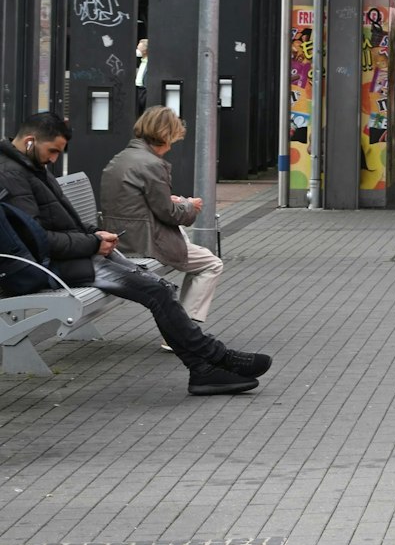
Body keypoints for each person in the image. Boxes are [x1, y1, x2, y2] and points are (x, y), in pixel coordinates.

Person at [0, 112, 269, 395]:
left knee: (159, 288)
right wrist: (92, 243)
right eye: (52, 150)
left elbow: (62, 222)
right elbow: (37, 239)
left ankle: (205, 368)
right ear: (30, 141)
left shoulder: (29, 167)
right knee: (157, 292)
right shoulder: (11, 174)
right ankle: (215, 360)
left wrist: (94, 235)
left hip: (68, 257)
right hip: (47, 267)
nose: (54, 158)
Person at [100, 107, 227, 327]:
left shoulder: (122, 157)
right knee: (211, 264)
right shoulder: (152, 164)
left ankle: (183, 326)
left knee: (199, 255)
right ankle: (185, 329)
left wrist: (174, 201)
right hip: (144, 241)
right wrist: (189, 207)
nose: (171, 146)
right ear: (166, 136)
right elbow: (168, 214)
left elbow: (143, 202)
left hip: (124, 234)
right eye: (173, 139)